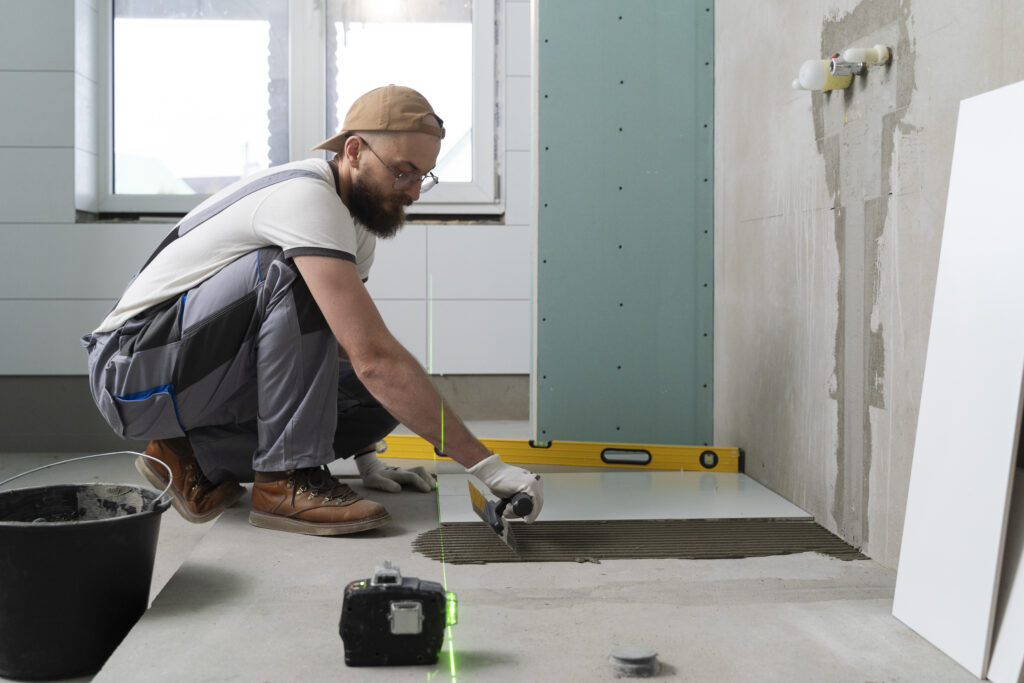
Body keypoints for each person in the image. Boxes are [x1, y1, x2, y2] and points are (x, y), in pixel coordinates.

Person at [81, 84, 543, 536]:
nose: (414, 192)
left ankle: (190, 455)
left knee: (375, 398)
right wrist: (487, 467)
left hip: (193, 373)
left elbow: (338, 346)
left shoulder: (354, 225)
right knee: (298, 281)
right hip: (130, 371)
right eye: (403, 172)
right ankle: (286, 481)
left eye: (424, 176)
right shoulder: (306, 197)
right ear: (355, 151)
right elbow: (374, 356)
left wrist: (367, 458)